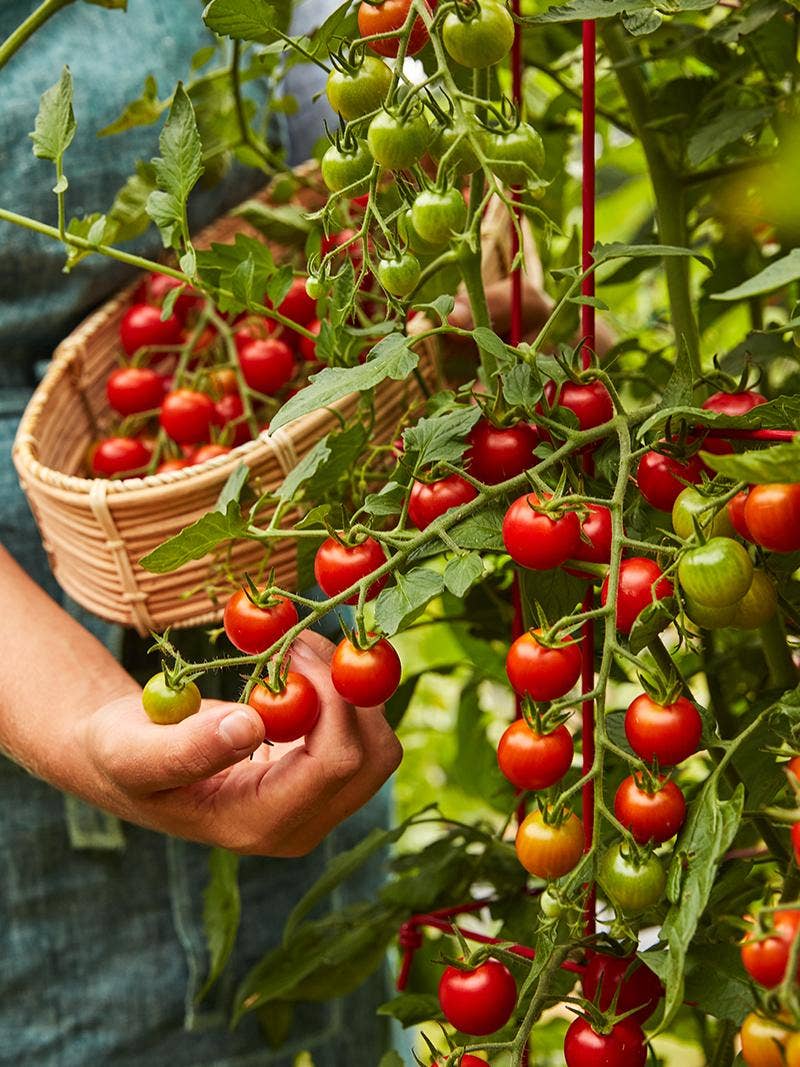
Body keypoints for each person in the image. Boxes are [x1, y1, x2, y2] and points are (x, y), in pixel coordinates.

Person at [0, 3, 403, 1065]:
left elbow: (322, 56)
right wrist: (82, 714)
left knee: (331, 1001)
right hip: (28, 812)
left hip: (294, 636)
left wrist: (408, 230)